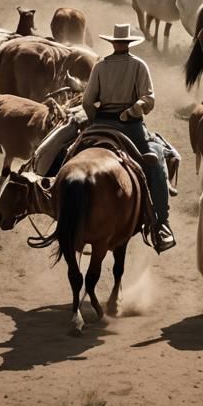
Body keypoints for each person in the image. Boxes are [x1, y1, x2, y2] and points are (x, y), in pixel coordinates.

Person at [82, 23, 175, 252]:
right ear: (129, 43)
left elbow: (86, 101)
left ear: (113, 43)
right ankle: (161, 223)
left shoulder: (100, 66)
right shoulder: (138, 65)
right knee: (156, 162)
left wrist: (95, 121)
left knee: (70, 152)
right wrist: (132, 111)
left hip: (101, 123)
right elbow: (148, 100)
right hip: (130, 128)